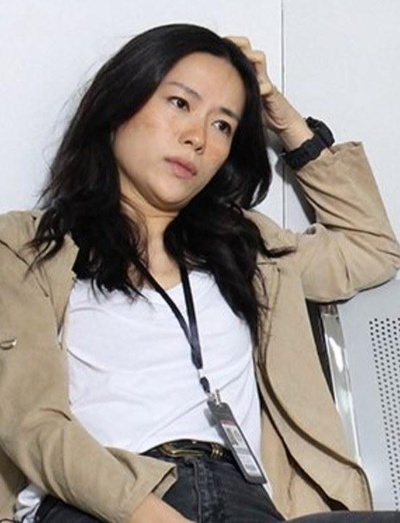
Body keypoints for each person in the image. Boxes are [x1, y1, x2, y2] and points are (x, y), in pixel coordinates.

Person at [0, 23, 399, 523]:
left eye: (223, 125)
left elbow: (371, 247)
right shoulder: (29, 245)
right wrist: (149, 514)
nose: (197, 138)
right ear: (119, 105)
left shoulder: (248, 248)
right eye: (180, 104)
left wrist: (280, 114)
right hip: (100, 501)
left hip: (244, 497)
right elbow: (32, 422)